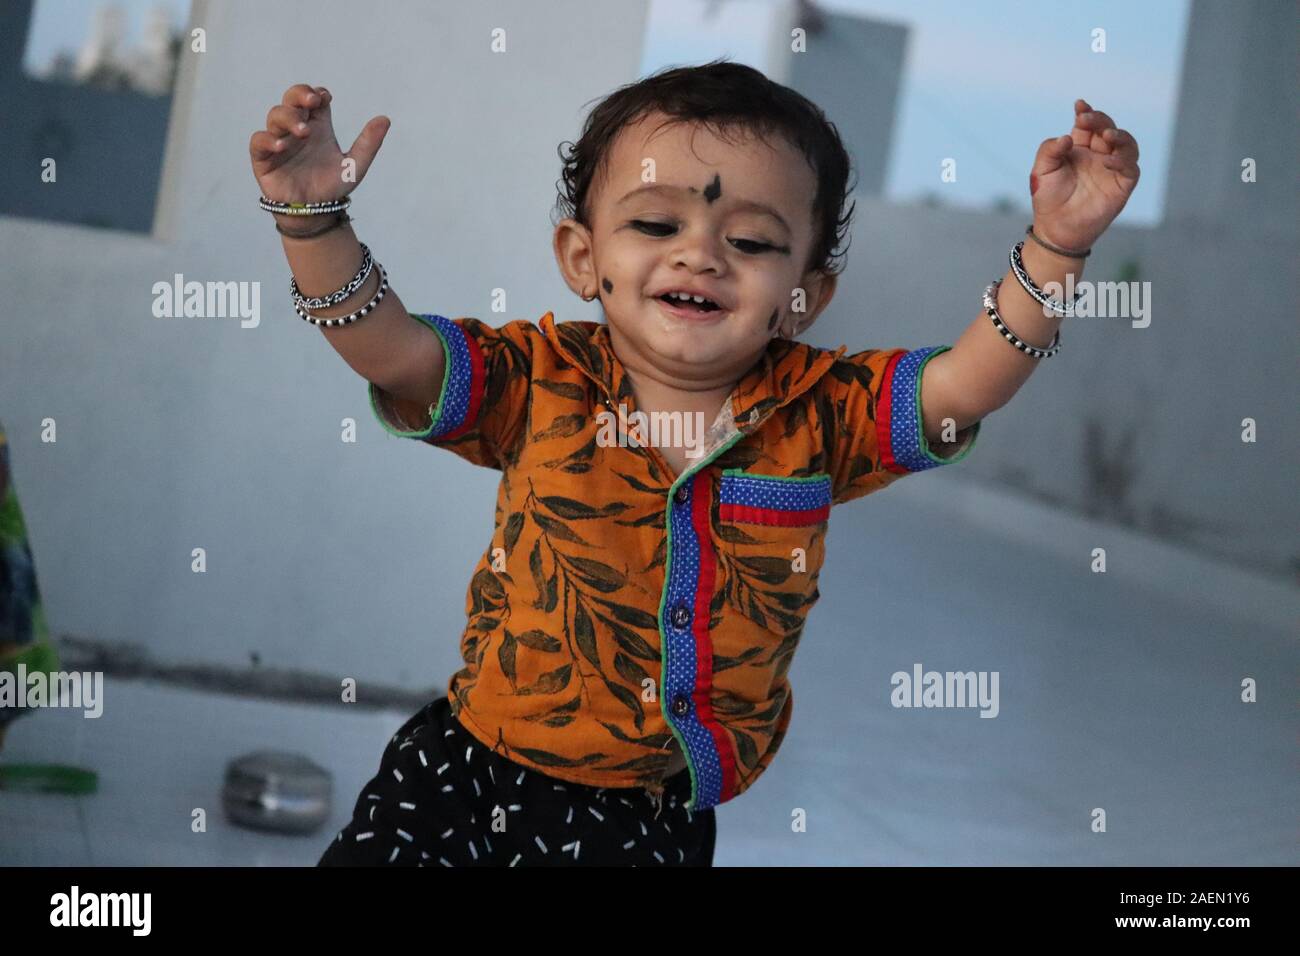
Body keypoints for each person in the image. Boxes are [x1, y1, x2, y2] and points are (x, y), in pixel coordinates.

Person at [247, 61, 1140, 866]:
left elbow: (963, 387)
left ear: (805, 296)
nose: (701, 253)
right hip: (464, 775)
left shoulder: (823, 410)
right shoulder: (535, 379)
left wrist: (1057, 246)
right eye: (655, 221)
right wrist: (310, 219)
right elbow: (391, 353)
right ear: (583, 258)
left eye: (751, 242)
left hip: (647, 820)